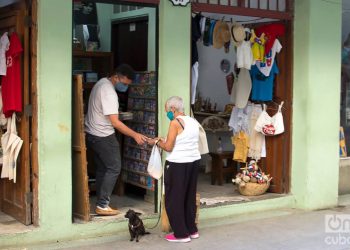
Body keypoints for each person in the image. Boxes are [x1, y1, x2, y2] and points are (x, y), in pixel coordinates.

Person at [85, 64, 148, 216]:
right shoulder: (109, 92)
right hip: (103, 135)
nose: (125, 87)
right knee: (114, 168)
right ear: (116, 77)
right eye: (125, 83)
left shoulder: (101, 83)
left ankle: (102, 201)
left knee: (102, 168)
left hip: (92, 134)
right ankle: (102, 204)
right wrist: (135, 135)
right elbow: (115, 122)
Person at [148, 96, 201, 243]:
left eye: (167, 111)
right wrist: (163, 139)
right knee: (188, 197)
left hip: (177, 164)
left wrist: (157, 142)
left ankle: (181, 234)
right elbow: (183, 140)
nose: (167, 114)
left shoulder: (175, 122)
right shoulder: (193, 121)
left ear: (173, 109)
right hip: (193, 162)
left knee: (174, 198)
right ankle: (192, 230)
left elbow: (169, 147)